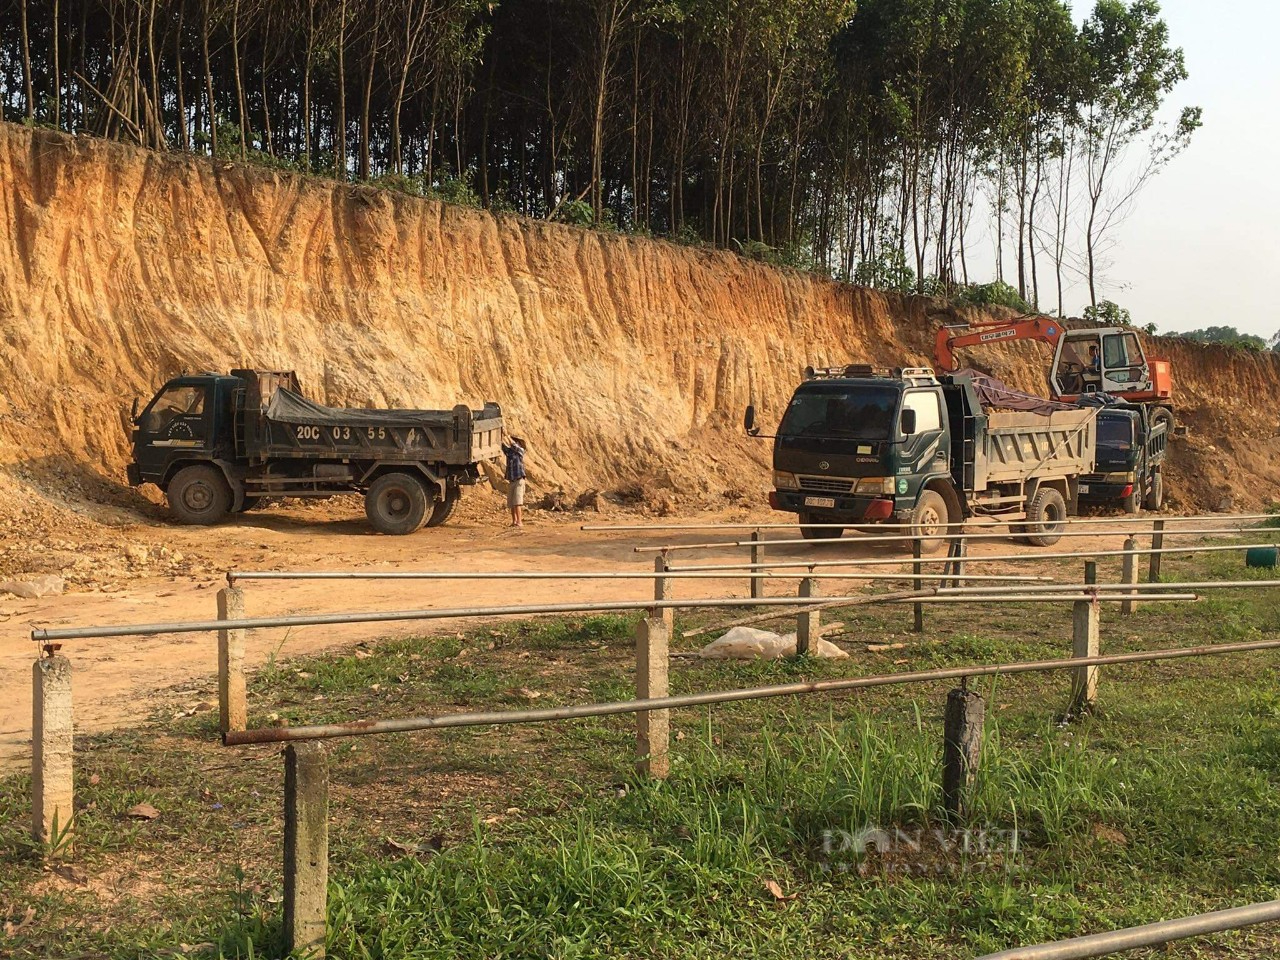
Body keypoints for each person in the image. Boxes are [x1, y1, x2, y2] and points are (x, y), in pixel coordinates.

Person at [501, 434, 527, 527]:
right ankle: (514, 521)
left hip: (519, 480)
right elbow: (503, 447)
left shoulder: (520, 451)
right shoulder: (510, 453)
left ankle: (519, 521)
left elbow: (513, 445)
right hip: (512, 480)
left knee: (517, 502)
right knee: (512, 503)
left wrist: (508, 437)